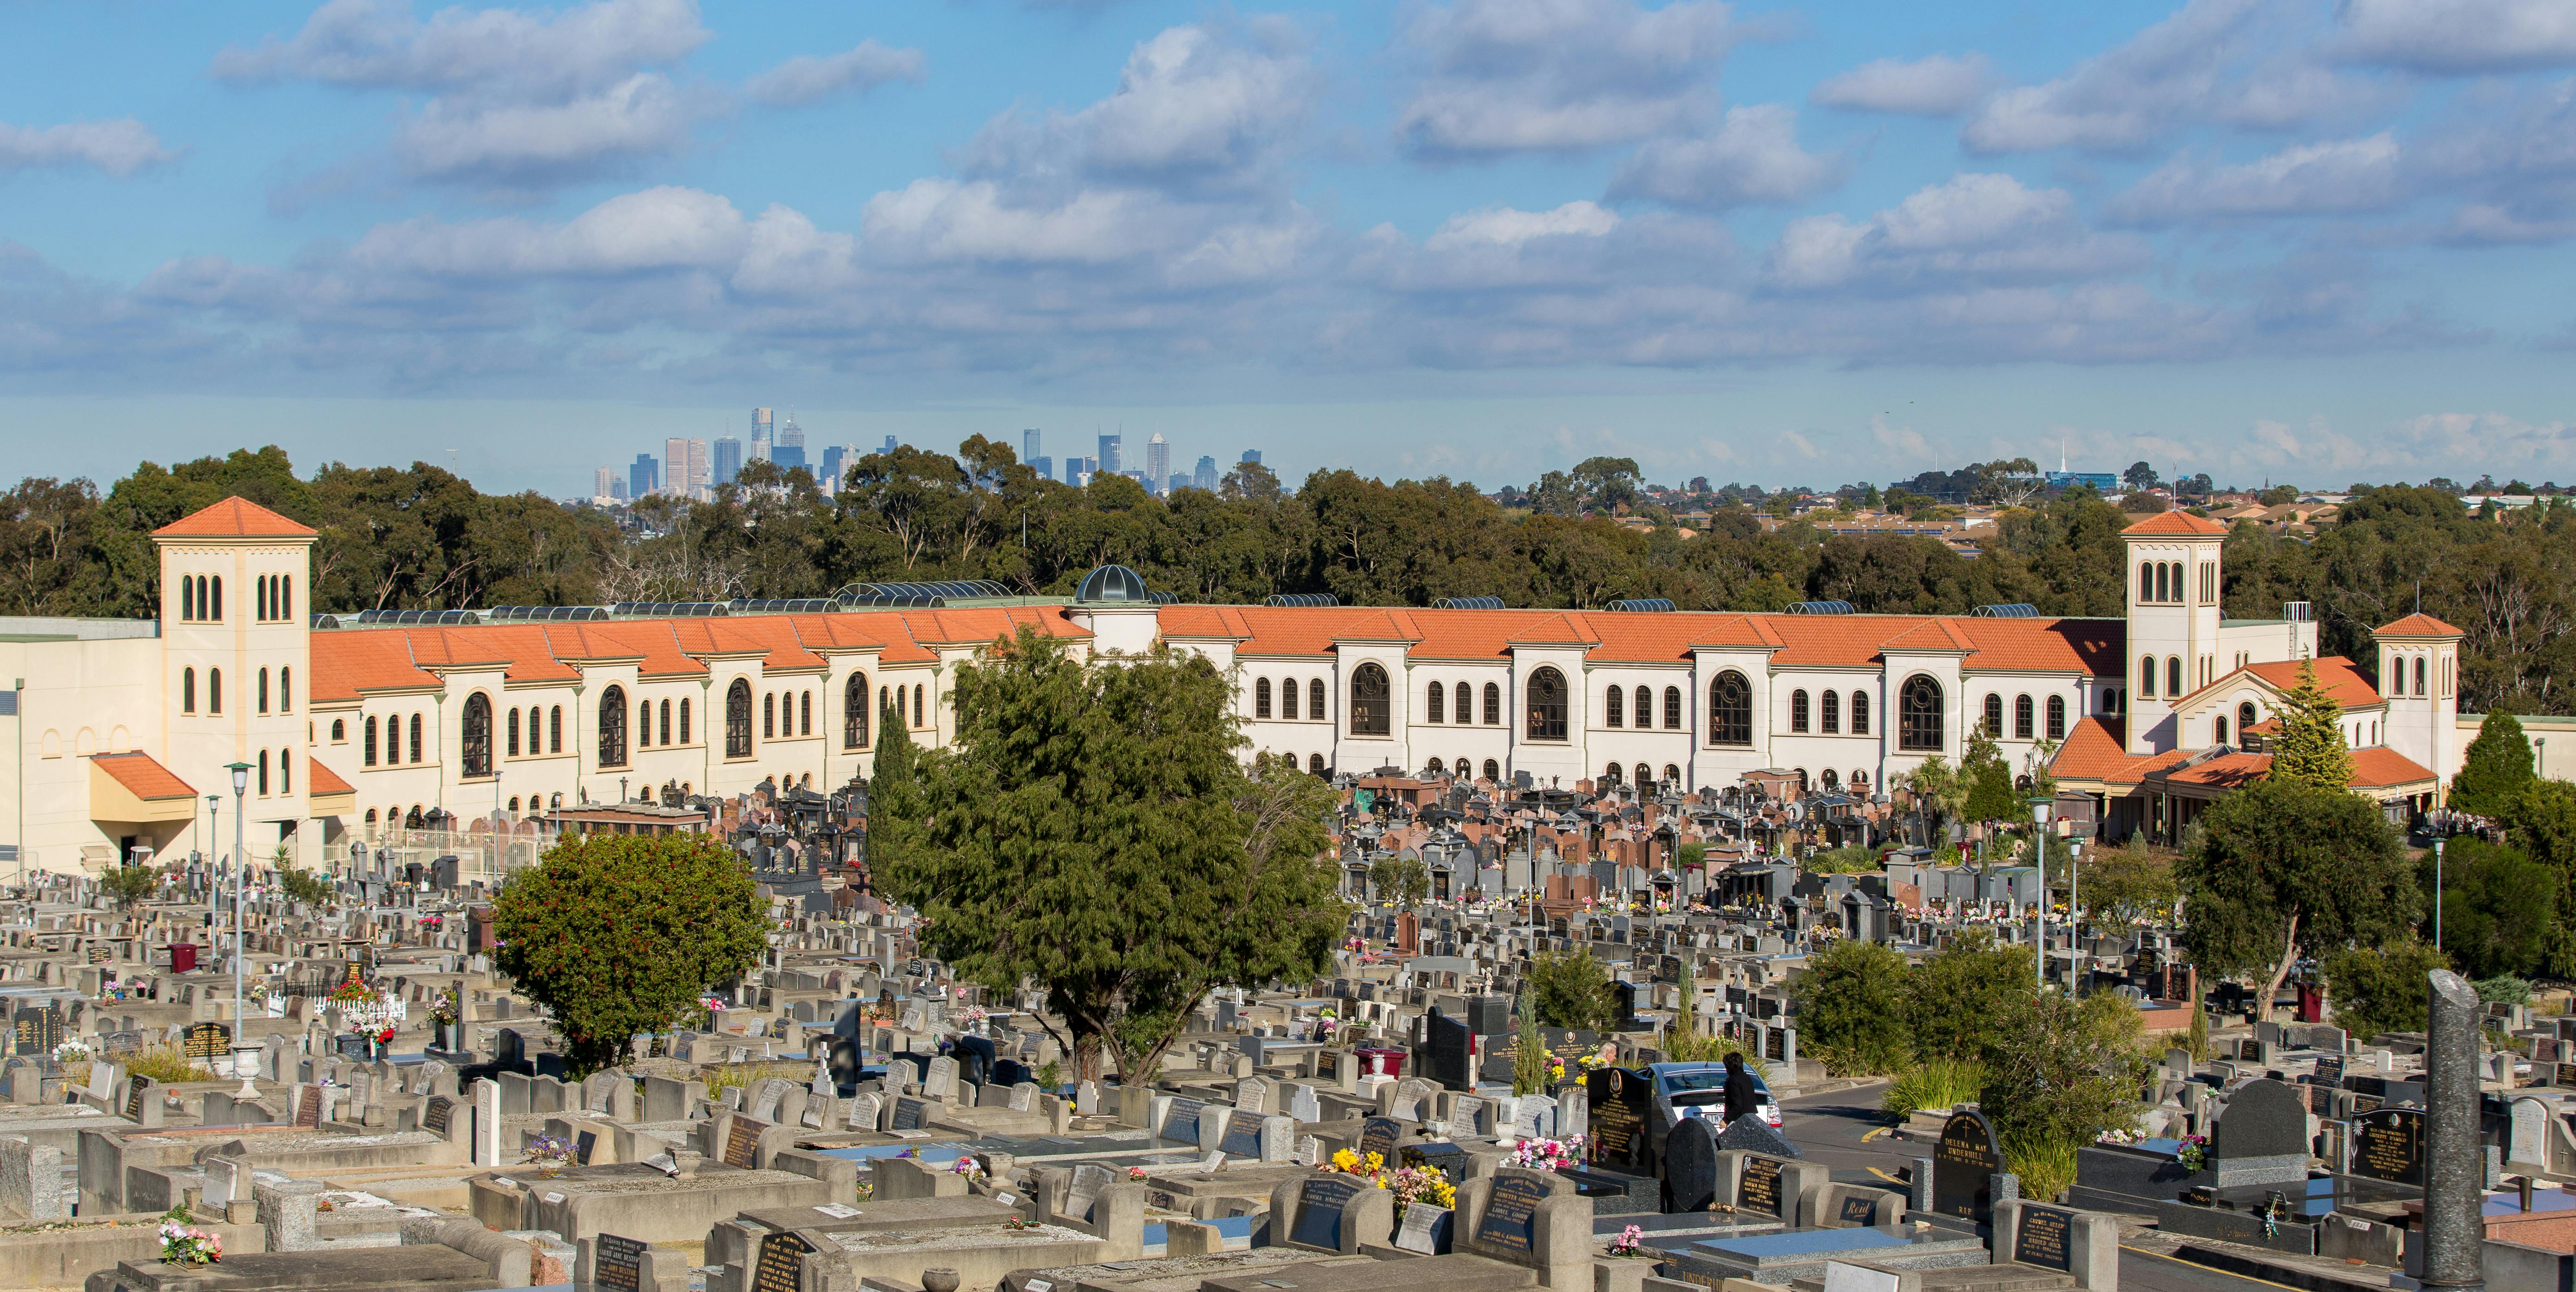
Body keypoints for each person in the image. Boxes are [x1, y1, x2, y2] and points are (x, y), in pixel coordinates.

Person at [1720, 1051, 1760, 1127]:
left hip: (1738, 1120)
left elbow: (1738, 1104)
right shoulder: (1747, 1078)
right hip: (1750, 1118)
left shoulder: (1733, 1081)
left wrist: (1726, 1119)